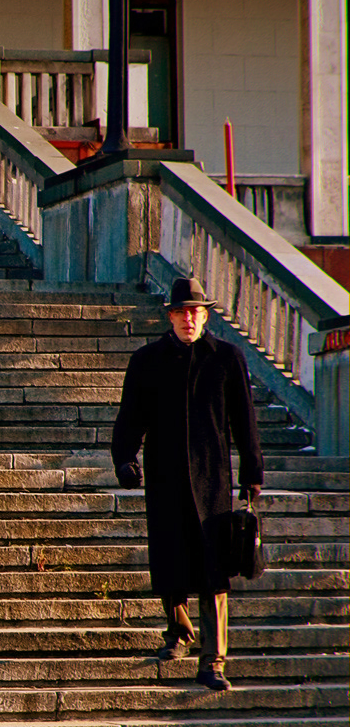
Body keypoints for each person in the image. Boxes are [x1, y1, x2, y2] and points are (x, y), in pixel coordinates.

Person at [111, 276, 264, 691]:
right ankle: (178, 633)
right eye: (180, 312)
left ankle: (213, 660)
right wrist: (124, 458)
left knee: (215, 570)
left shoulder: (227, 358)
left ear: (205, 315)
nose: (188, 319)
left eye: (194, 311)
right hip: (165, 476)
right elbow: (130, 417)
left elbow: (244, 421)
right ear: (170, 316)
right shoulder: (147, 361)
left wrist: (252, 473)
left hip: (213, 478)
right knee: (170, 559)